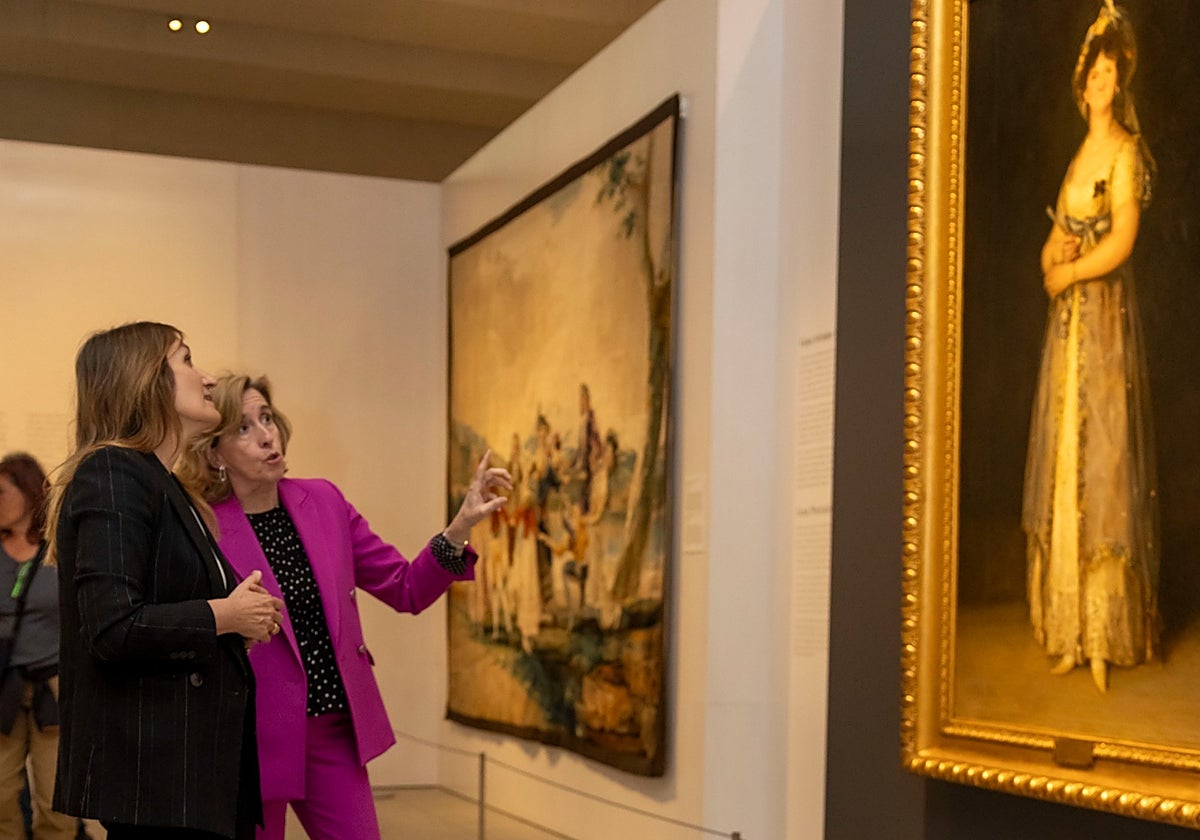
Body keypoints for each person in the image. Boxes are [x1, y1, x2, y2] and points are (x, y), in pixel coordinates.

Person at [176, 373, 511, 840]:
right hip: (245, 738)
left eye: (267, 418)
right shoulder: (201, 525)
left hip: (331, 727)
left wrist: (457, 531)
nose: (267, 435)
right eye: (244, 428)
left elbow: (405, 587)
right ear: (214, 453)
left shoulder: (325, 501)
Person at [46, 322, 283, 839]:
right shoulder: (113, 472)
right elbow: (112, 627)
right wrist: (224, 615)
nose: (206, 377)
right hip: (155, 775)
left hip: (186, 771)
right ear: (147, 380)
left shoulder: (161, 482)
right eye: (187, 360)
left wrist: (238, 622)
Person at [1022, 2, 1159, 694]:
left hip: (1104, 324)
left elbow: (1124, 242)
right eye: (1093, 76)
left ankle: (1105, 638)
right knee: (1066, 460)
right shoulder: (1078, 157)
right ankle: (1071, 633)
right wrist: (1053, 260)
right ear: (1081, 91)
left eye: (1109, 74)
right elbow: (1057, 235)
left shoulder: (1127, 153)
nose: (1100, 85)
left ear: (1118, 82)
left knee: (1103, 463)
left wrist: (1070, 271)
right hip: (1069, 330)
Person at [0, 454, 76, 840]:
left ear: (29, 493)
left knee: (56, 799)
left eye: (1, 492)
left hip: (55, 688)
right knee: (0, 797)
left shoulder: (61, 547)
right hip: (4, 687)